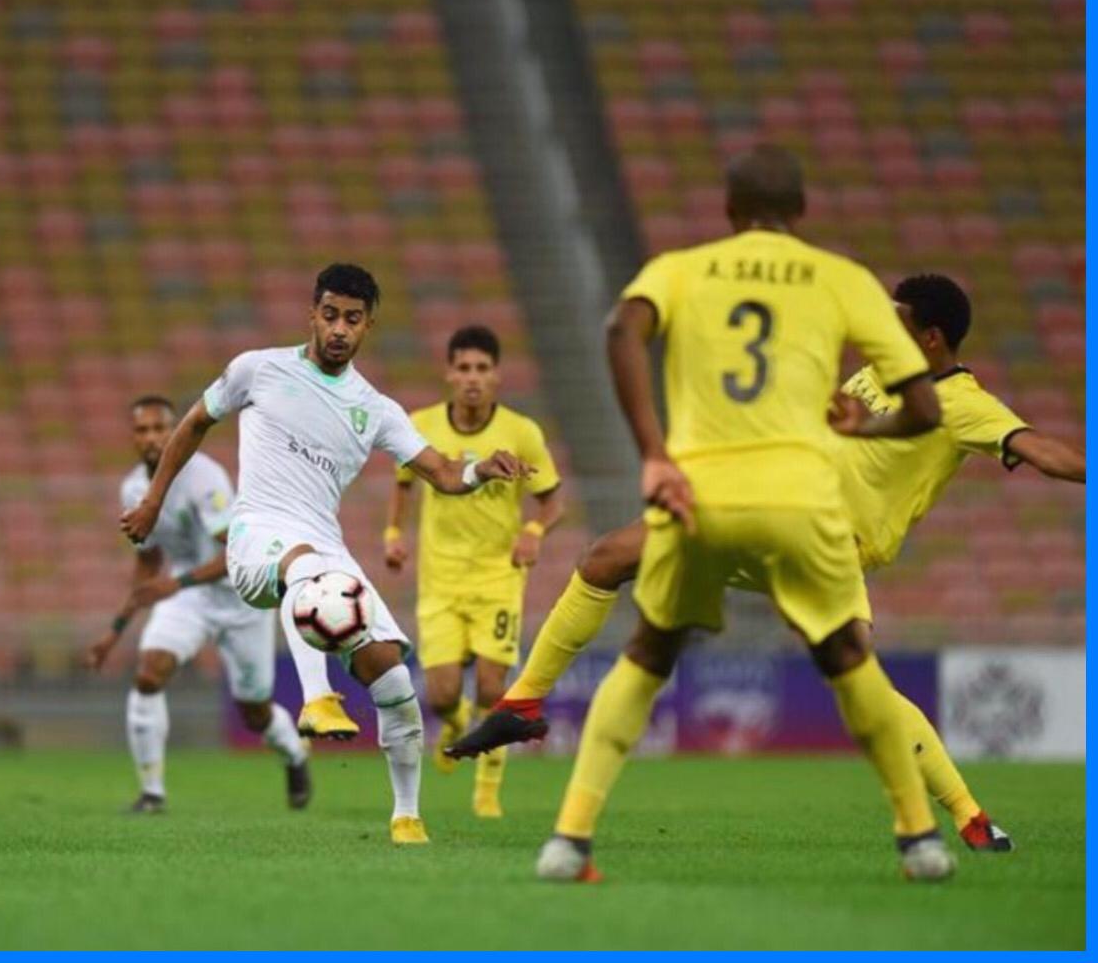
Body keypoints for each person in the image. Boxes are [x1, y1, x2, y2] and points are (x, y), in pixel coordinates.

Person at [452, 273, 1085, 853]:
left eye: (894, 323)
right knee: (607, 557)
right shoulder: (872, 377)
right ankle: (526, 702)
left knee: (864, 684)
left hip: (829, 547)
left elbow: (1041, 451)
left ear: (931, 338)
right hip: (775, 514)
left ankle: (971, 819)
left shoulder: (965, 405)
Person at [527, 144, 956, 883]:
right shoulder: (842, 280)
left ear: (727, 212)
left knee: (648, 654)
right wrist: (862, 427)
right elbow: (923, 409)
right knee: (848, 660)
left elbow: (620, 330)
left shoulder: (681, 268)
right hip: (801, 500)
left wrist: (654, 452)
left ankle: (569, 840)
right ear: (801, 213)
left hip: (700, 497)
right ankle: (918, 838)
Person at [120, 263, 531, 844]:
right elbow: (192, 424)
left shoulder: (376, 409)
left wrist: (480, 469)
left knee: (395, 683)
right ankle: (317, 700)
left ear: (368, 326)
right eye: (331, 315)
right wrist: (154, 501)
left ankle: (407, 816)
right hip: (256, 538)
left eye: (353, 319)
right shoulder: (257, 368)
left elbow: (440, 472)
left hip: (324, 551)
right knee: (306, 570)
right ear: (313, 313)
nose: (340, 328)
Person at [88, 395, 310, 813]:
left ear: (174, 433)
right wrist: (114, 631)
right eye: (142, 430)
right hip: (187, 596)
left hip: (242, 597)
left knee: (254, 712)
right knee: (149, 674)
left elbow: (238, 555)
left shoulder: (205, 478)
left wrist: (177, 583)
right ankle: (152, 792)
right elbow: (148, 561)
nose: (151, 438)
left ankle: (294, 754)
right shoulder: (134, 488)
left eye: (160, 429)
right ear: (133, 438)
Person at [384, 325, 564, 818]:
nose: (472, 378)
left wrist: (533, 530)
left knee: (490, 687)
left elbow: (552, 499)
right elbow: (403, 481)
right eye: (463, 368)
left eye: (482, 369)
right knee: (442, 694)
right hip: (439, 579)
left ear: (497, 376)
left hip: (497, 575)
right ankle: (456, 721)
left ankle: (487, 789)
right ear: (448, 373)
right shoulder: (420, 425)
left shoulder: (521, 432)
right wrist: (394, 535)